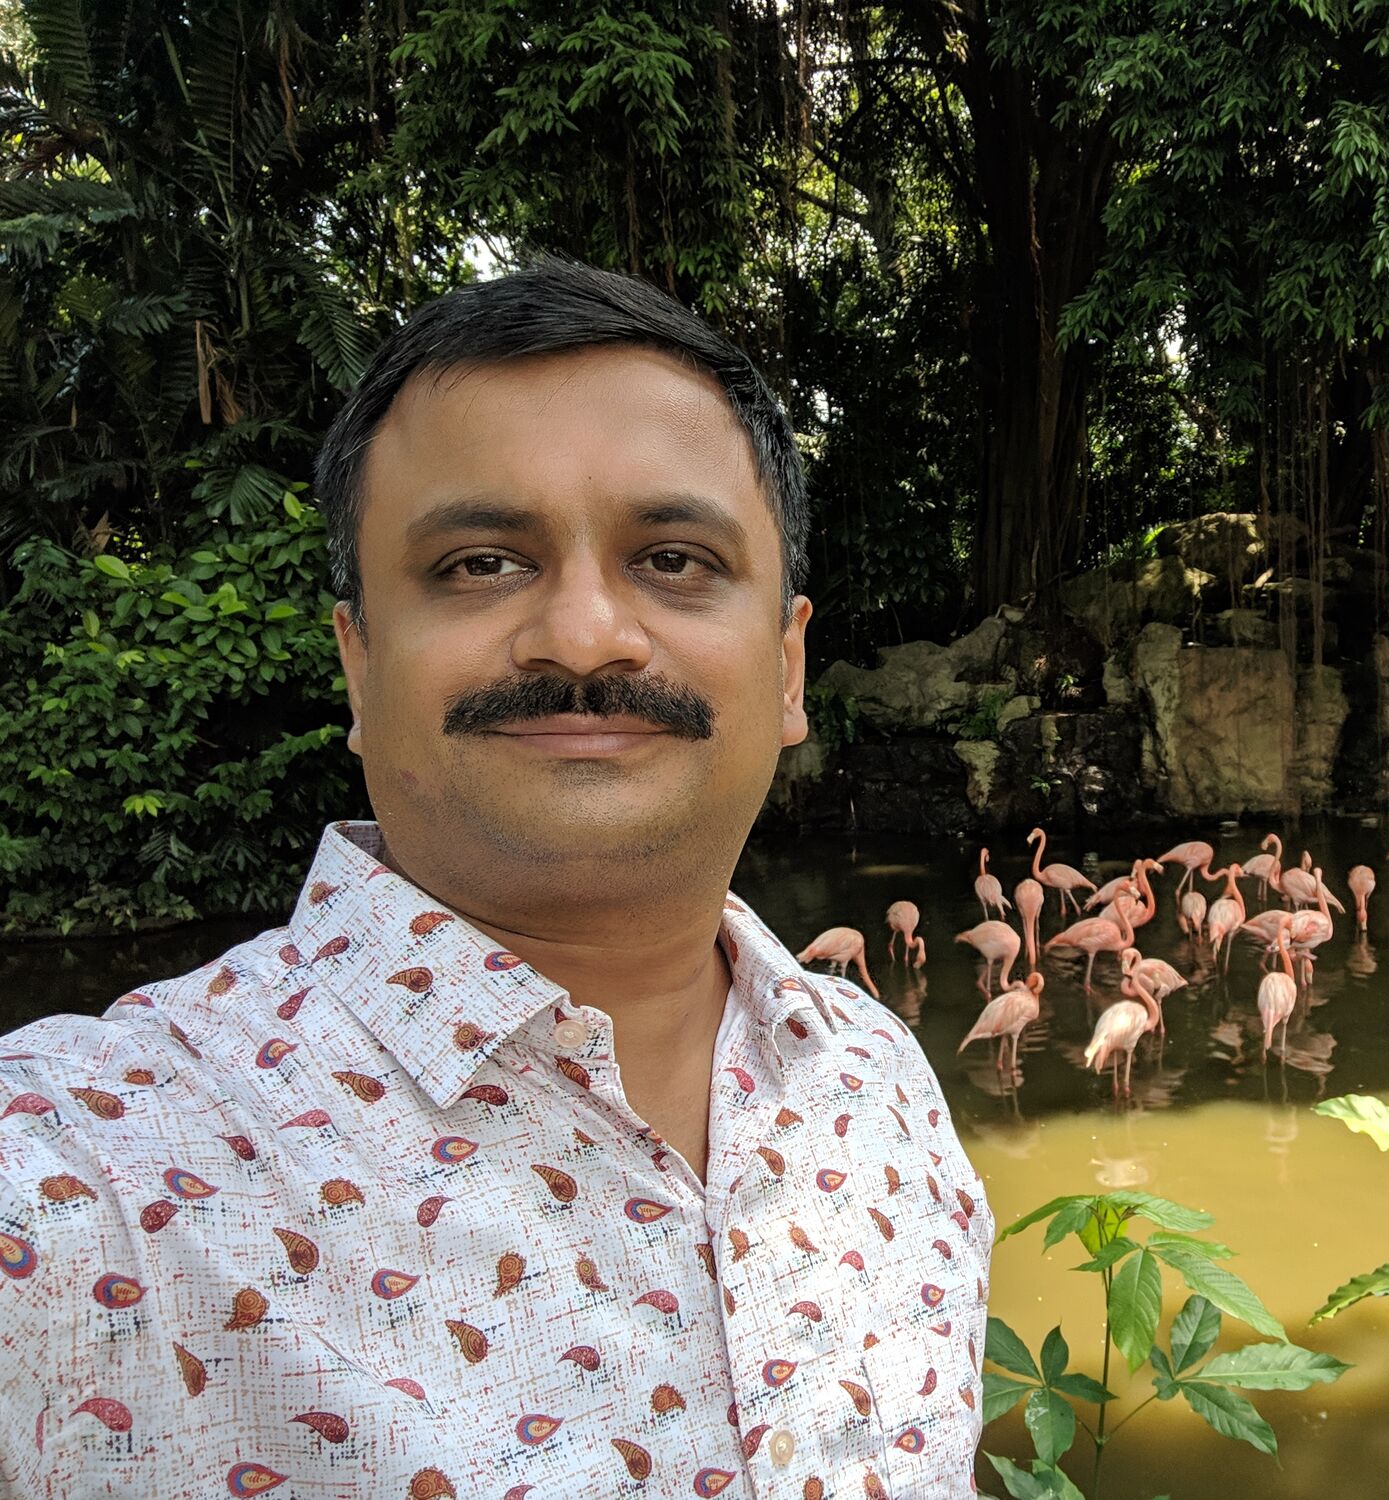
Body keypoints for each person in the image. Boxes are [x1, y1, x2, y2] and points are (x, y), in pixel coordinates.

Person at [0, 260, 992, 1498]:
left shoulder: (882, 1087)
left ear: (789, 670)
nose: (584, 636)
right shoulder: (81, 1174)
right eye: (479, 563)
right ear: (358, 667)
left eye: (675, 559)